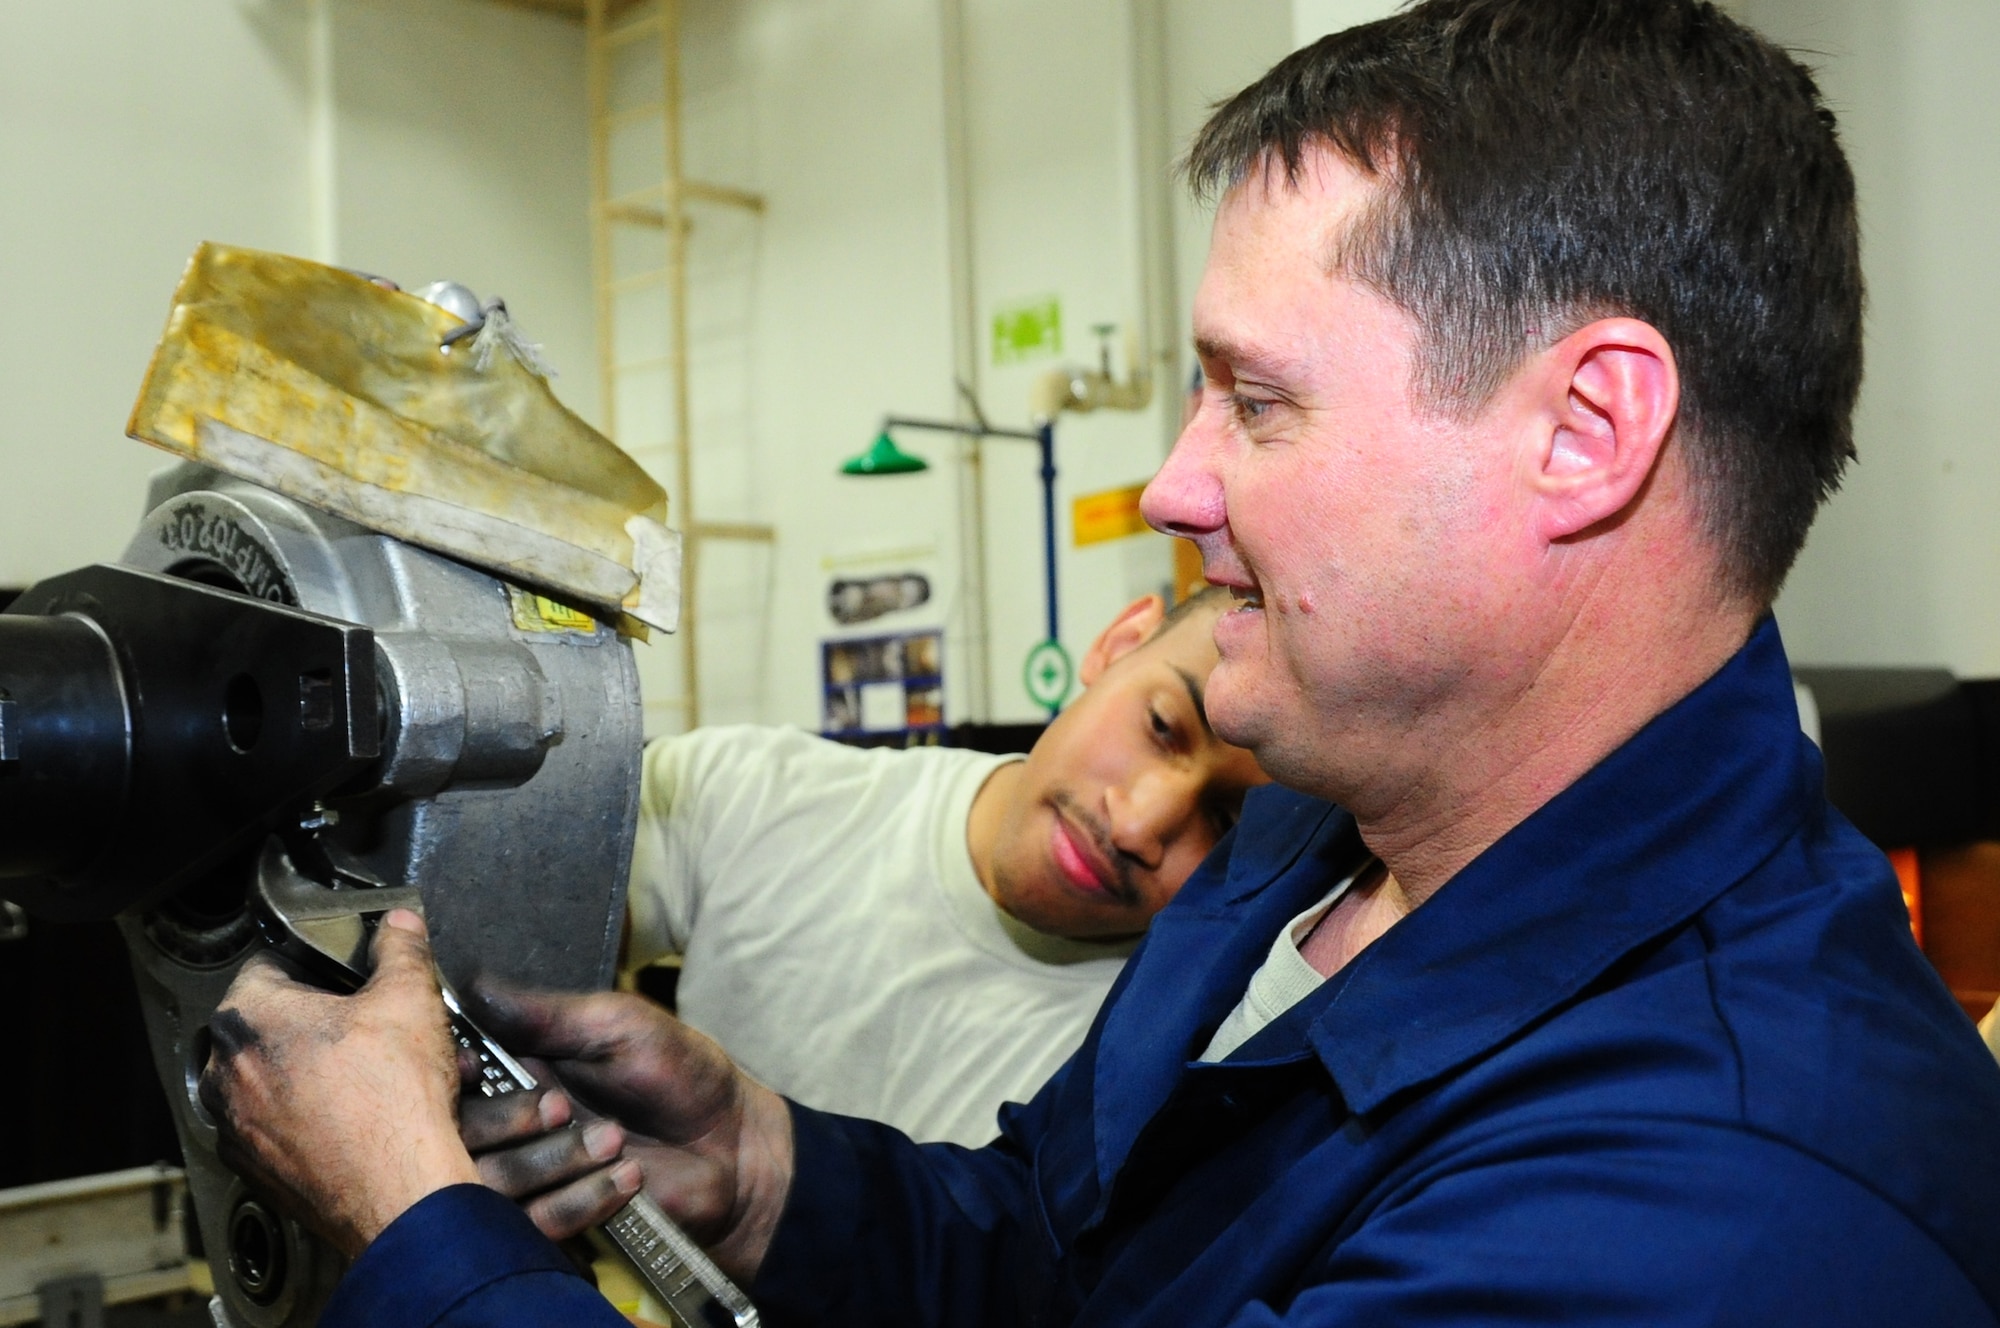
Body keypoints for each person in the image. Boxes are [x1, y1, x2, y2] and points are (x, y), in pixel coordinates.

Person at [200, 2, 2000, 1324]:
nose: (1180, 482)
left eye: (1261, 399)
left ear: (1586, 429)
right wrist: (776, 1176)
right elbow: (1077, 1261)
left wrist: (416, 1228)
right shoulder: (1308, 843)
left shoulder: (1713, 1212)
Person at [624, 587, 1264, 1147]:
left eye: (1225, 822)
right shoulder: (741, 796)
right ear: (1120, 643)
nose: (1135, 826)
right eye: (1161, 724)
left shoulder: (1174, 1067)